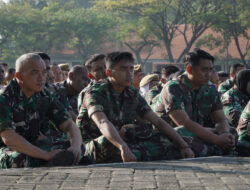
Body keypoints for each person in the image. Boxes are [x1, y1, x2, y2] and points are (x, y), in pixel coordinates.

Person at [77, 51, 194, 164]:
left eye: (131, 69)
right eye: (123, 69)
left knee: (164, 137)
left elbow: (157, 121)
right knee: (114, 140)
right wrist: (123, 147)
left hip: (122, 139)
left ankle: (136, 154)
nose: (129, 74)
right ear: (109, 73)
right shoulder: (95, 93)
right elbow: (102, 122)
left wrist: (183, 145)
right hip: (94, 143)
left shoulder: (131, 93)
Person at [0, 53, 87, 168]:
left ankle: (56, 161)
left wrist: (75, 146)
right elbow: (9, 138)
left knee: (77, 146)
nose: (41, 78)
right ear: (19, 76)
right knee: (21, 160)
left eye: (44, 72)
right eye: (34, 72)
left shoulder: (44, 95)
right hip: (11, 149)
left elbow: (68, 124)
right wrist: (45, 155)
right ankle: (49, 162)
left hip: (38, 145)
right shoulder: (4, 98)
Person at [153, 48, 235, 157]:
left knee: (232, 131)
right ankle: (213, 149)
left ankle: (209, 149)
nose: (208, 74)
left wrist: (225, 134)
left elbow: (220, 119)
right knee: (181, 131)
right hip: (171, 134)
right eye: (204, 70)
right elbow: (184, 123)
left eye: (211, 70)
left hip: (197, 133)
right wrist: (216, 139)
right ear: (190, 69)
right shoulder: (173, 87)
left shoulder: (210, 88)